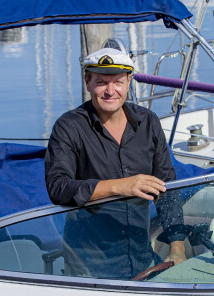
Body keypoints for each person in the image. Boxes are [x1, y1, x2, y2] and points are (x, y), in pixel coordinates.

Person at [45, 47, 186, 279]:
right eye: (101, 82)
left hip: (141, 256)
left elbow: (167, 188)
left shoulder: (148, 122)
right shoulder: (68, 127)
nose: (111, 91)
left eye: (118, 82)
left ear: (129, 81)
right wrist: (120, 186)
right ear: (87, 82)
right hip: (89, 264)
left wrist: (177, 248)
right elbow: (58, 187)